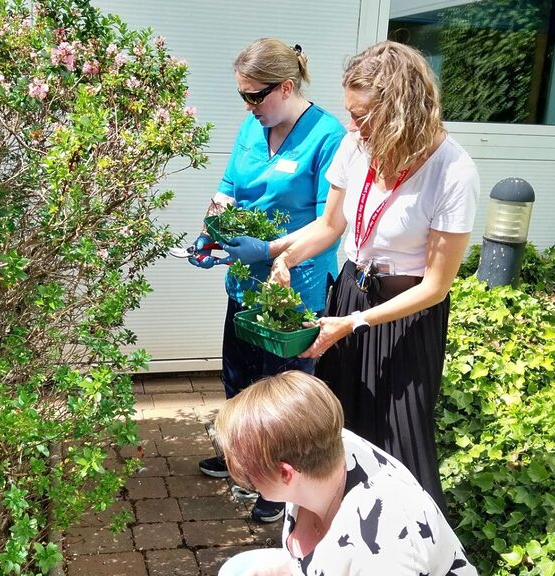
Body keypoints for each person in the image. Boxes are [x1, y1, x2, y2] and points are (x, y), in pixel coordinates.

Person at [267, 40, 480, 516]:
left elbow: (435, 286)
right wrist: (284, 257)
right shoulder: (355, 145)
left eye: (363, 116)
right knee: (339, 430)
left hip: (406, 313)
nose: (352, 126)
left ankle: (415, 543)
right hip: (349, 295)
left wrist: (357, 323)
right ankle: (340, 529)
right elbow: (330, 226)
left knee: (400, 437)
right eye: (351, 113)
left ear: (401, 111)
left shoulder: (453, 171)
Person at [187, 38, 345, 523]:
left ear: (287, 86)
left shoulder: (328, 136)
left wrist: (270, 250)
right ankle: (241, 458)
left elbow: (327, 222)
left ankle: (278, 488)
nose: (248, 106)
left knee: (283, 390)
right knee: (238, 377)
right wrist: (210, 231)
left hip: (296, 287)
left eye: (256, 96)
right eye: (242, 96)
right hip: (245, 281)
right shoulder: (252, 128)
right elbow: (229, 190)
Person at [215, 371, 477, 576]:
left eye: (247, 468)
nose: (239, 471)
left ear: (286, 474)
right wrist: (283, 567)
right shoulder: (320, 442)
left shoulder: (384, 548)